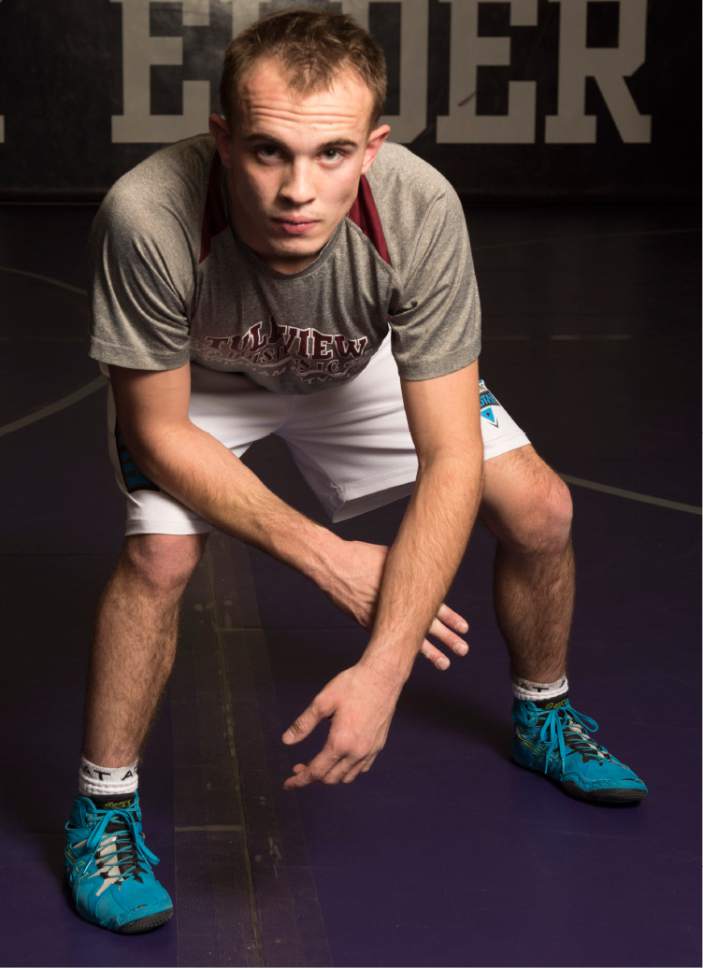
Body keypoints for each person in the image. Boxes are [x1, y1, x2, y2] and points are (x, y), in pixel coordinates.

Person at [63, 7, 647, 935]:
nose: (298, 188)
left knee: (539, 508)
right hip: (202, 377)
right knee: (160, 561)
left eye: (331, 153)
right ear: (221, 139)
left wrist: (381, 672)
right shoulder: (149, 211)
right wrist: (326, 555)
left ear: (372, 148)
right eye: (266, 152)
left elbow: (450, 454)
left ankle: (544, 713)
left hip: (353, 363)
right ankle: (103, 808)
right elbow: (159, 429)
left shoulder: (420, 209)